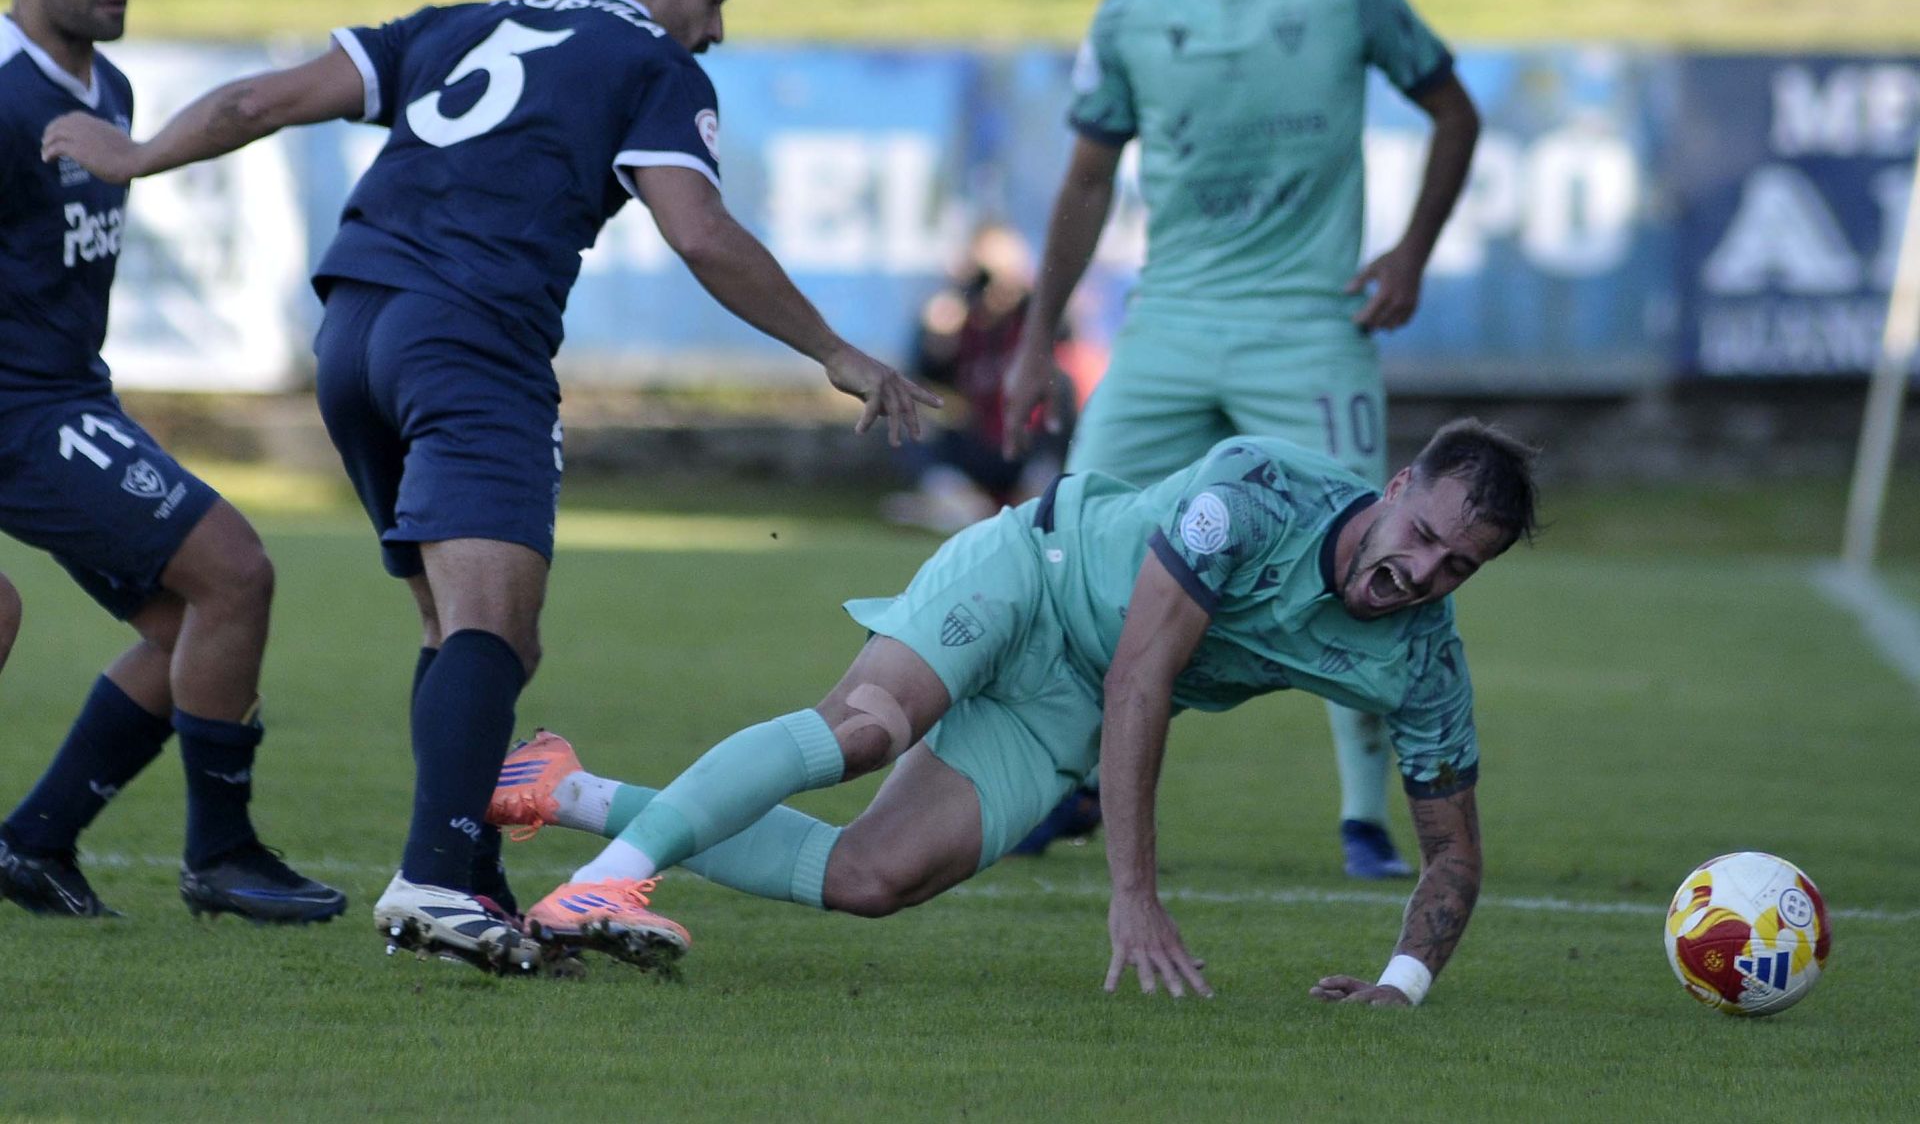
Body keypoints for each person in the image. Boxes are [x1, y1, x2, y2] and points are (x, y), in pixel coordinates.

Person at [43, 0, 938, 973]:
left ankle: (466, 877)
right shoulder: (648, 62)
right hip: (472, 340)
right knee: (490, 628)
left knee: (465, 628)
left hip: (355, 332)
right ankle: (430, 877)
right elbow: (700, 232)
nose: (710, 35)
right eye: (711, 0)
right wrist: (836, 352)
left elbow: (254, 101)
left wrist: (134, 156)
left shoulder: (461, 22)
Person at [487, 419, 1536, 1003]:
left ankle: (563, 790)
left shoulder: (1423, 664)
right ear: (1397, 485)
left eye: (1460, 566)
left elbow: (1455, 857)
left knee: (871, 879)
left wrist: (1403, 987)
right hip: (1033, 574)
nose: (1426, 571)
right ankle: (600, 888)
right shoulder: (1253, 490)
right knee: (863, 731)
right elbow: (1143, 679)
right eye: (1425, 533)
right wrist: (1134, 891)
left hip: (1065, 701)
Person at [1000, 0, 1481, 880]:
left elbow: (1455, 109)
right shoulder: (1130, 7)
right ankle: (1058, 783)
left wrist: (1409, 252)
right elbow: (1083, 180)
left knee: (1378, 565)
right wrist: (1038, 336)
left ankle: (1366, 818)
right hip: (1167, 322)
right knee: (1065, 544)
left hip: (1308, 330)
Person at [0, 0, 345, 923]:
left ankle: (37, 841)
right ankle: (221, 855)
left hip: (68, 399)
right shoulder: (5, 97)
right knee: (233, 571)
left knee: (188, 623)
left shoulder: (110, 92)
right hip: (20, 412)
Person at [881, 223, 1073, 535]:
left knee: (1064, 391)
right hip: (974, 444)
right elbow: (920, 381)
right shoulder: (954, 317)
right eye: (984, 275)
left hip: (1027, 444)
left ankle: (1033, 496)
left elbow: (1067, 346)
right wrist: (937, 341)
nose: (993, 288)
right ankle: (956, 497)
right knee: (908, 412)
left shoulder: (1036, 320)